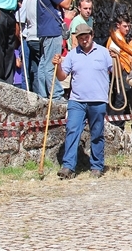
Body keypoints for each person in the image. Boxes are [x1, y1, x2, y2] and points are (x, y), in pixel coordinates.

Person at [53, 24, 114, 179]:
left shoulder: (104, 53)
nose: (84, 39)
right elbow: (61, 77)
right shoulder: (72, 55)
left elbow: (116, 73)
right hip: (77, 100)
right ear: (77, 38)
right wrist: (58, 65)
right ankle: (68, 167)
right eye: (81, 37)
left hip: (98, 100)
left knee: (97, 134)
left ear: (92, 35)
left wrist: (118, 59)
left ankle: (97, 166)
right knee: (72, 131)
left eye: (86, 36)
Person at [35, 0, 78, 100]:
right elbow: (66, 4)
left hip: (46, 29)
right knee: (52, 63)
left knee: (43, 63)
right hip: (52, 30)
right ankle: (56, 95)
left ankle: (42, 93)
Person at [106, 15, 132, 129]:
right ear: (118, 26)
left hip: (123, 71)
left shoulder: (120, 37)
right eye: (125, 26)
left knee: (122, 98)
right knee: (120, 98)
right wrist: (119, 72)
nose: (127, 28)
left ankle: (118, 124)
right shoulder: (116, 38)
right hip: (120, 72)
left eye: (128, 26)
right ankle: (115, 125)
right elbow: (114, 56)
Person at [18, 0, 41, 89]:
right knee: (26, 69)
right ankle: (25, 91)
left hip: (33, 36)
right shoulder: (28, 0)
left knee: (34, 68)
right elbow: (20, 20)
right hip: (26, 37)